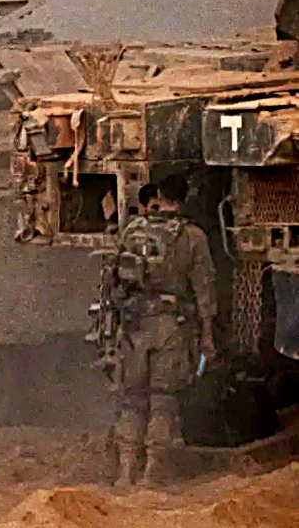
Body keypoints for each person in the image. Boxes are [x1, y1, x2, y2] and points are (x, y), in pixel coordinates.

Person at [112, 173, 216, 488]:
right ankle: (151, 472)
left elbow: (114, 281)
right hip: (171, 328)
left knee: (131, 400)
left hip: (133, 326)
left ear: (158, 195)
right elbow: (205, 291)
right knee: (163, 400)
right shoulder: (193, 237)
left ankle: (125, 472)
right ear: (184, 199)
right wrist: (207, 337)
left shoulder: (131, 230)